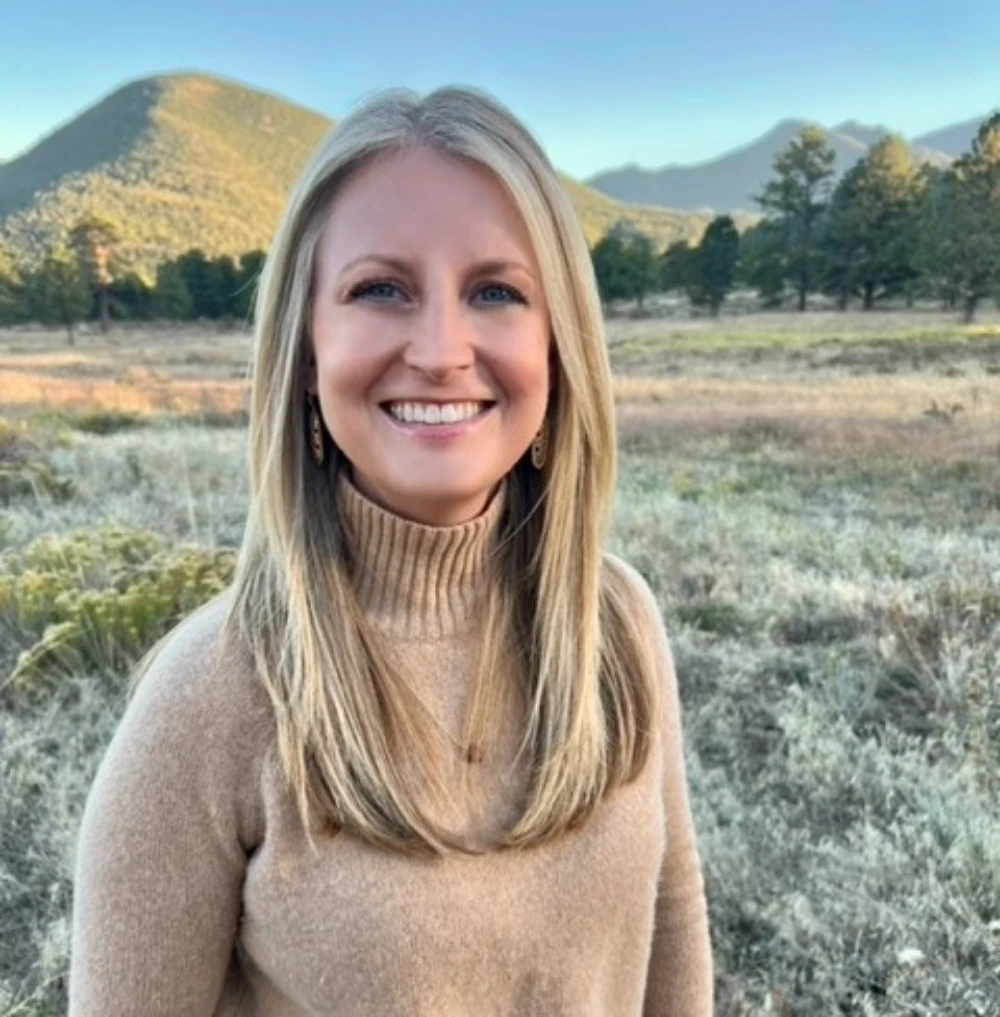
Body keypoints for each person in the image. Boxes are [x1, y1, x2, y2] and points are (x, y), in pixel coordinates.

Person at [68, 85, 713, 1016]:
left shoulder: (618, 622)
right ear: (304, 351)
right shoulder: (212, 695)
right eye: (381, 290)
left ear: (561, 343)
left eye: (496, 291)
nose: (444, 350)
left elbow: (672, 926)